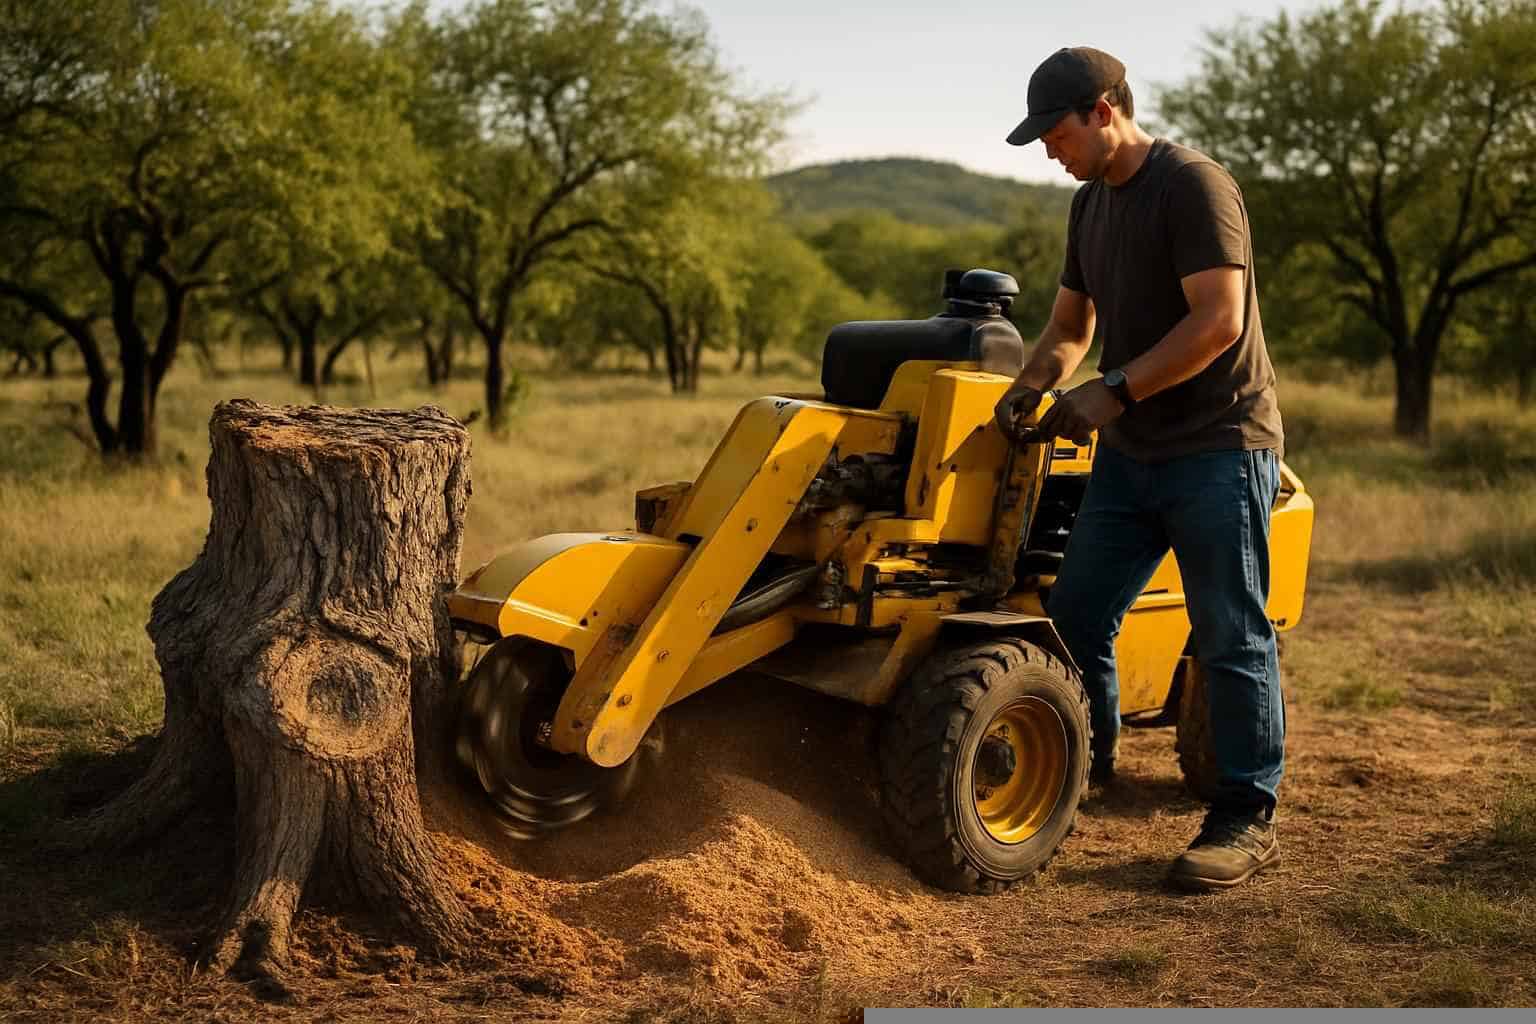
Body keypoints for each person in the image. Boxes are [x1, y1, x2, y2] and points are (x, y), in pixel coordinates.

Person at [993, 47, 1286, 892]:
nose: (1051, 152)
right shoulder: (1090, 204)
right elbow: (1070, 328)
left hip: (1220, 444)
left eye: (1056, 134)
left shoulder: (1193, 186)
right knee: (1076, 616)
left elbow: (1219, 321)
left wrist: (1112, 392)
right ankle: (1086, 765)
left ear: (1104, 109)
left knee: (1229, 634)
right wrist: (1030, 385)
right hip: (1133, 454)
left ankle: (1245, 815)